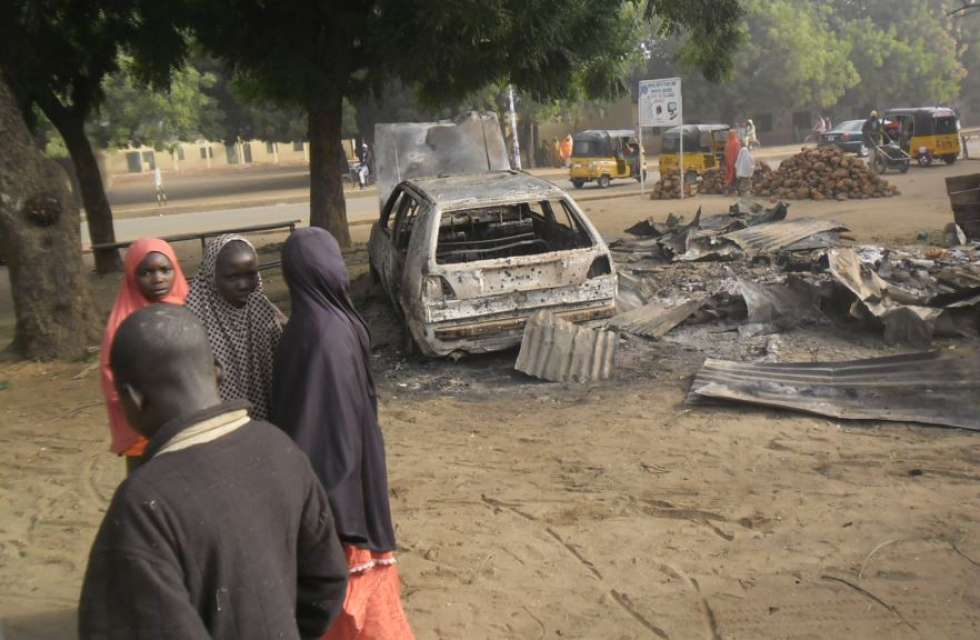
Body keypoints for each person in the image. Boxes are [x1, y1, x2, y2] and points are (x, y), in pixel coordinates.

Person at [79, 304, 349, 639]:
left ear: (133, 398)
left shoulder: (142, 505)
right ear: (218, 370)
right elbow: (327, 579)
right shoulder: (281, 448)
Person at [271, 228, 414, 640]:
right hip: (347, 493)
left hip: (342, 492)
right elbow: (327, 427)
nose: (340, 271)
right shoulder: (329, 327)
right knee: (357, 606)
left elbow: (323, 425)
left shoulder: (321, 326)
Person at [100, 238, 188, 474]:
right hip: (143, 426)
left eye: (165, 270)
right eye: (146, 272)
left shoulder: (188, 311)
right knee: (146, 483)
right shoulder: (122, 324)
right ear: (131, 275)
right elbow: (112, 377)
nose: (158, 278)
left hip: (185, 417)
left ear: (176, 270)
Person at [187, 234, 284, 421]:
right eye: (232, 277)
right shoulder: (194, 324)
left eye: (250, 274)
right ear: (212, 276)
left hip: (267, 424)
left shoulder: (264, 312)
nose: (243, 285)